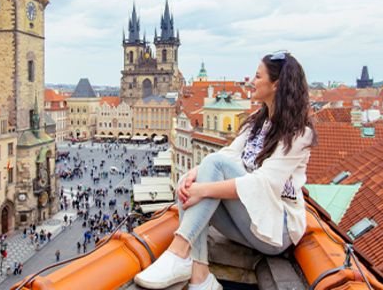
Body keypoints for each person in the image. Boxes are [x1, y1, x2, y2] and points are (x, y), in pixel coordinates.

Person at [134, 51, 317, 290]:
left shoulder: (299, 132)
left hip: (277, 228)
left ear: (277, 84)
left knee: (209, 172)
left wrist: (204, 186)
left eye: (257, 76)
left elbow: (262, 183)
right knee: (195, 181)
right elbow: (228, 155)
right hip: (250, 221)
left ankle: (179, 253)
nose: (252, 81)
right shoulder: (257, 120)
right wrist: (194, 174)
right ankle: (200, 277)